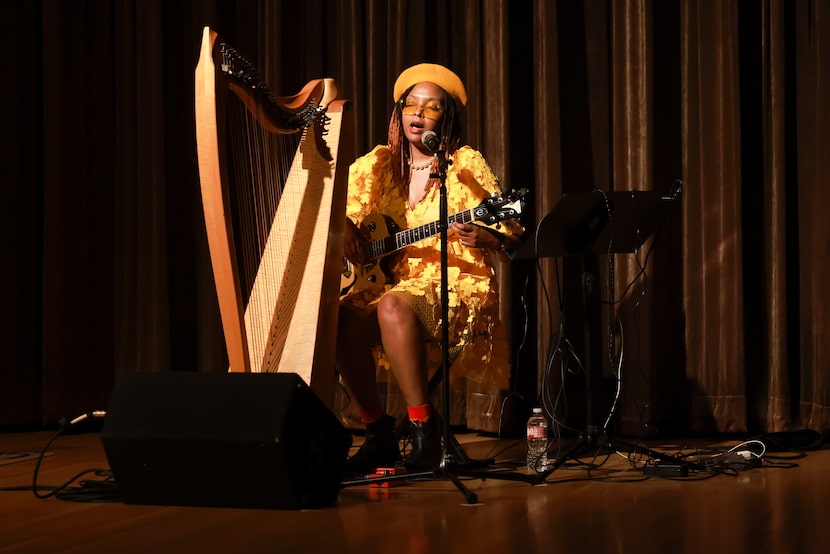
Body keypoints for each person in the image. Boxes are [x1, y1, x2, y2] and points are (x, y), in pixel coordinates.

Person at [336, 63, 522, 475]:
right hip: (388, 287)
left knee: (391, 308)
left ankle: (424, 429)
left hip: (453, 287)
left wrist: (489, 237)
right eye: (411, 106)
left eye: (431, 107)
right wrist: (344, 229)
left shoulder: (464, 163)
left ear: (446, 117)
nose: (418, 114)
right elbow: (334, 213)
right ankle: (378, 431)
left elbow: (510, 231)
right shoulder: (375, 165)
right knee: (339, 319)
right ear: (398, 113)